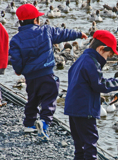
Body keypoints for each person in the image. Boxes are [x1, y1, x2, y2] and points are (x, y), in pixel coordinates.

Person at [9, 4, 87, 142]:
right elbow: (63, 33)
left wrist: (18, 70)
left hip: (31, 78)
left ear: (20, 22)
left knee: (32, 99)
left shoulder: (16, 39)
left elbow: (16, 59)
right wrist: (78, 34)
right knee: (49, 99)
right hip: (47, 74)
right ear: (35, 20)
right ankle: (44, 122)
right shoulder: (46, 31)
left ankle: (29, 123)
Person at [64, 30, 118, 160]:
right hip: (85, 111)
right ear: (101, 49)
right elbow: (100, 84)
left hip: (73, 108)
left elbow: (93, 80)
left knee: (79, 146)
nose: (107, 59)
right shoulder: (91, 62)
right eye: (108, 55)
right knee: (90, 144)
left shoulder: (82, 58)